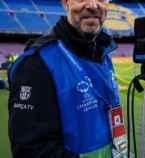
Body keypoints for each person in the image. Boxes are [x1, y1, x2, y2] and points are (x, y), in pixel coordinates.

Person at [8, 0, 127, 158]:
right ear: (65, 3)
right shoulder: (36, 63)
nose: (92, 5)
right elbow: (32, 151)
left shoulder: (103, 51)